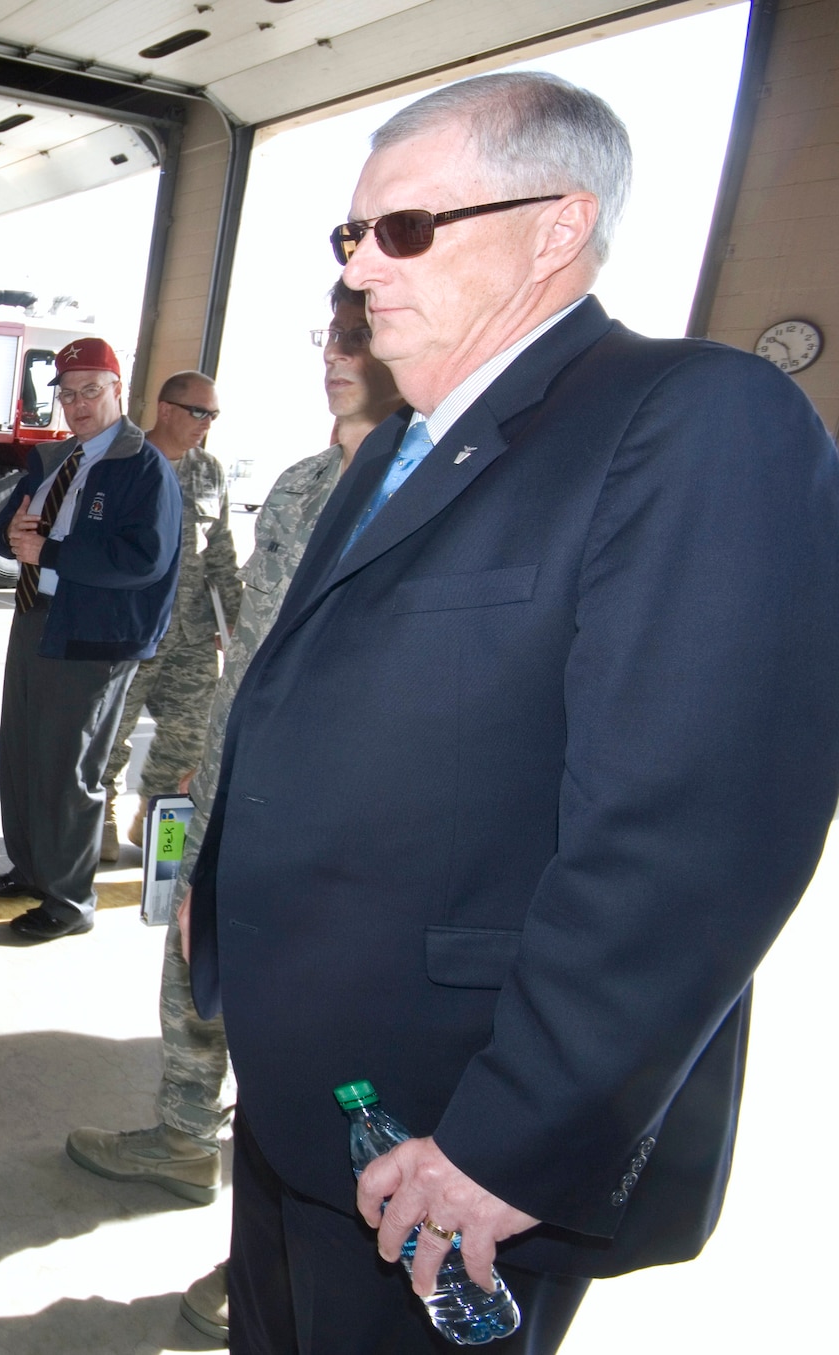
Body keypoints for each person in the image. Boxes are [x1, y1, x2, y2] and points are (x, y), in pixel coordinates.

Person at [185, 73, 839, 1353]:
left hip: (450, 1147)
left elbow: (691, 840)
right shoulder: (395, 445)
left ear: (557, 225)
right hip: (302, 1108)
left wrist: (509, 1141)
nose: (360, 268)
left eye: (405, 229)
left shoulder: (690, 417)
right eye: (350, 235)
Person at [67, 280, 401, 1346]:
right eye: (331, 334)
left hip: (343, 831)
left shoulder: (434, 484)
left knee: (314, 1059)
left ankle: (278, 1253)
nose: (336, 352)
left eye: (359, 335)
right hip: (230, 785)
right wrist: (196, 796)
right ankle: (176, 1138)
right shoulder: (302, 484)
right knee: (191, 972)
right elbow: (247, 647)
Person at [0, 337, 180, 941]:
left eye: (91, 390)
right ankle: (32, 868)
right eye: (66, 393)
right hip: (38, 616)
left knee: (69, 766)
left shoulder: (144, 468)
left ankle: (68, 901)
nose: (78, 404)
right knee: (23, 754)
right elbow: (4, 527)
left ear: (119, 389)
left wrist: (54, 550)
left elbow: (144, 558)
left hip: (94, 635)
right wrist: (10, 527)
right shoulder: (52, 460)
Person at [98, 371, 239, 861]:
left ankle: (159, 826)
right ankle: (102, 818)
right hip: (132, 631)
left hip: (192, 635)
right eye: (199, 412)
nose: (207, 423)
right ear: (167, 409)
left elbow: (220, 551)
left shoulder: (210, 471)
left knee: (190, 739)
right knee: (110, 735)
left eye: (213, 414)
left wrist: (234, 621)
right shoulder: (125, 464)